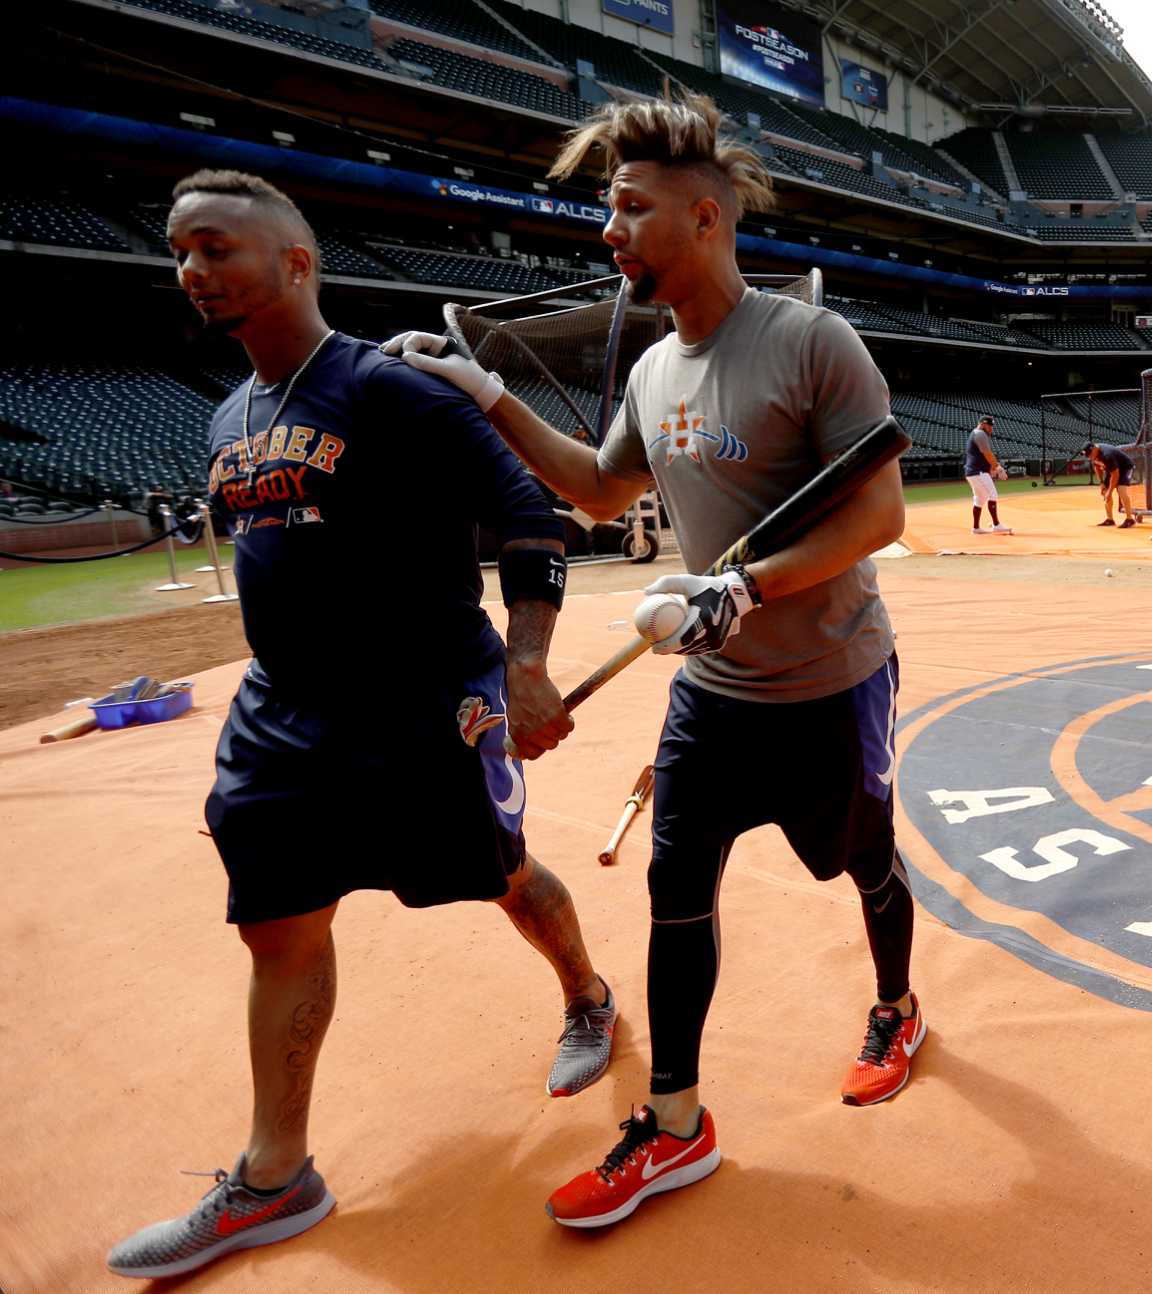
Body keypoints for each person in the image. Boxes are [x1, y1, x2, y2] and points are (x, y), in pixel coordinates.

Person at [383, 92, 918, 1230]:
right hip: (713, 696)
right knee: (676, 888)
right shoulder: (649, 374)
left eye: (631, 208)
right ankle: (675, 1123)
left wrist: (743, 587)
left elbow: (878, 513)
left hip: (829, 681)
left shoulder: (809, 341)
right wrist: (484, 396)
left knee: (863, 860)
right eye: (609, 208)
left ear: (707, 218)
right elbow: (596, 489)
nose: (608, 230)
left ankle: (897, 1004)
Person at [110, 170, 613, 1280]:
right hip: (281, 717)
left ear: (295, 261)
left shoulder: (387, 389)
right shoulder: (227, 413)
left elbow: (531, 517)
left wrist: (525, 665)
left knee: (502, 875)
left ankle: (587, 994)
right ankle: (276, 1171)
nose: (193, 271)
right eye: (179, 251)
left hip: (428, 703)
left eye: (216, 248)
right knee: (279, 924)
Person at [963, 414, 1010, 534]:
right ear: (983, 424)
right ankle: (996, 524)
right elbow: (987, 454)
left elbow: (983, 456)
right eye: (989, 426)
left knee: (980, 499)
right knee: (993, 494)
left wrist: (991, 468)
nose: (991, 429)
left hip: (973, 472)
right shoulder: (980, 434)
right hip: (977, 472)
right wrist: (998, 468)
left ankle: (976, 528)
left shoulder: (977, 433)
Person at [1087, 441, 1138, 528]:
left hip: (1125, 468)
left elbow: (1115, 475)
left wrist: (1110, 492)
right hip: (1113, 469)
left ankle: (1130, 519)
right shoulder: (1094, 454)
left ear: (1094, 448)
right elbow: (1097, 467)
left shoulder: (1107, 455)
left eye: (1090, 454)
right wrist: (1101, 483)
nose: (1090, 457)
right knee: (1105, 491)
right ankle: (1110, 519)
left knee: (1121, 490)